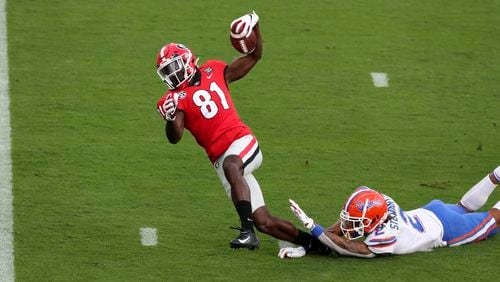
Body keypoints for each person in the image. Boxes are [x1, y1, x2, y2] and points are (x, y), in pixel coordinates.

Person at [155, 11, 322, 252]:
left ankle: (247, 233)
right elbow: (175, 137)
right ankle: (314, 244)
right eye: (166, 71)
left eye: (174, 67)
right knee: (264, 221)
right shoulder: (173, 99)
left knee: (232, 165)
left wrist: (256, 28)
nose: (171, 75)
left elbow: (254, 56)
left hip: (241, 142)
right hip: (221, 161)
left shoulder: (214, 70)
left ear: (188, 60)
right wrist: (170, 118)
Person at [279, 166, 500, 258]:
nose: (347, 225)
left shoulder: (385, 236)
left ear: (374, 220)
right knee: (464, 207)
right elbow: (345, 224)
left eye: (356, 221)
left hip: (447, 229)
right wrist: (308, 246)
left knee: (493, 221)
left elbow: (347, 248)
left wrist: (313, 227)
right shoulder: (379, 202)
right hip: (434, 213)